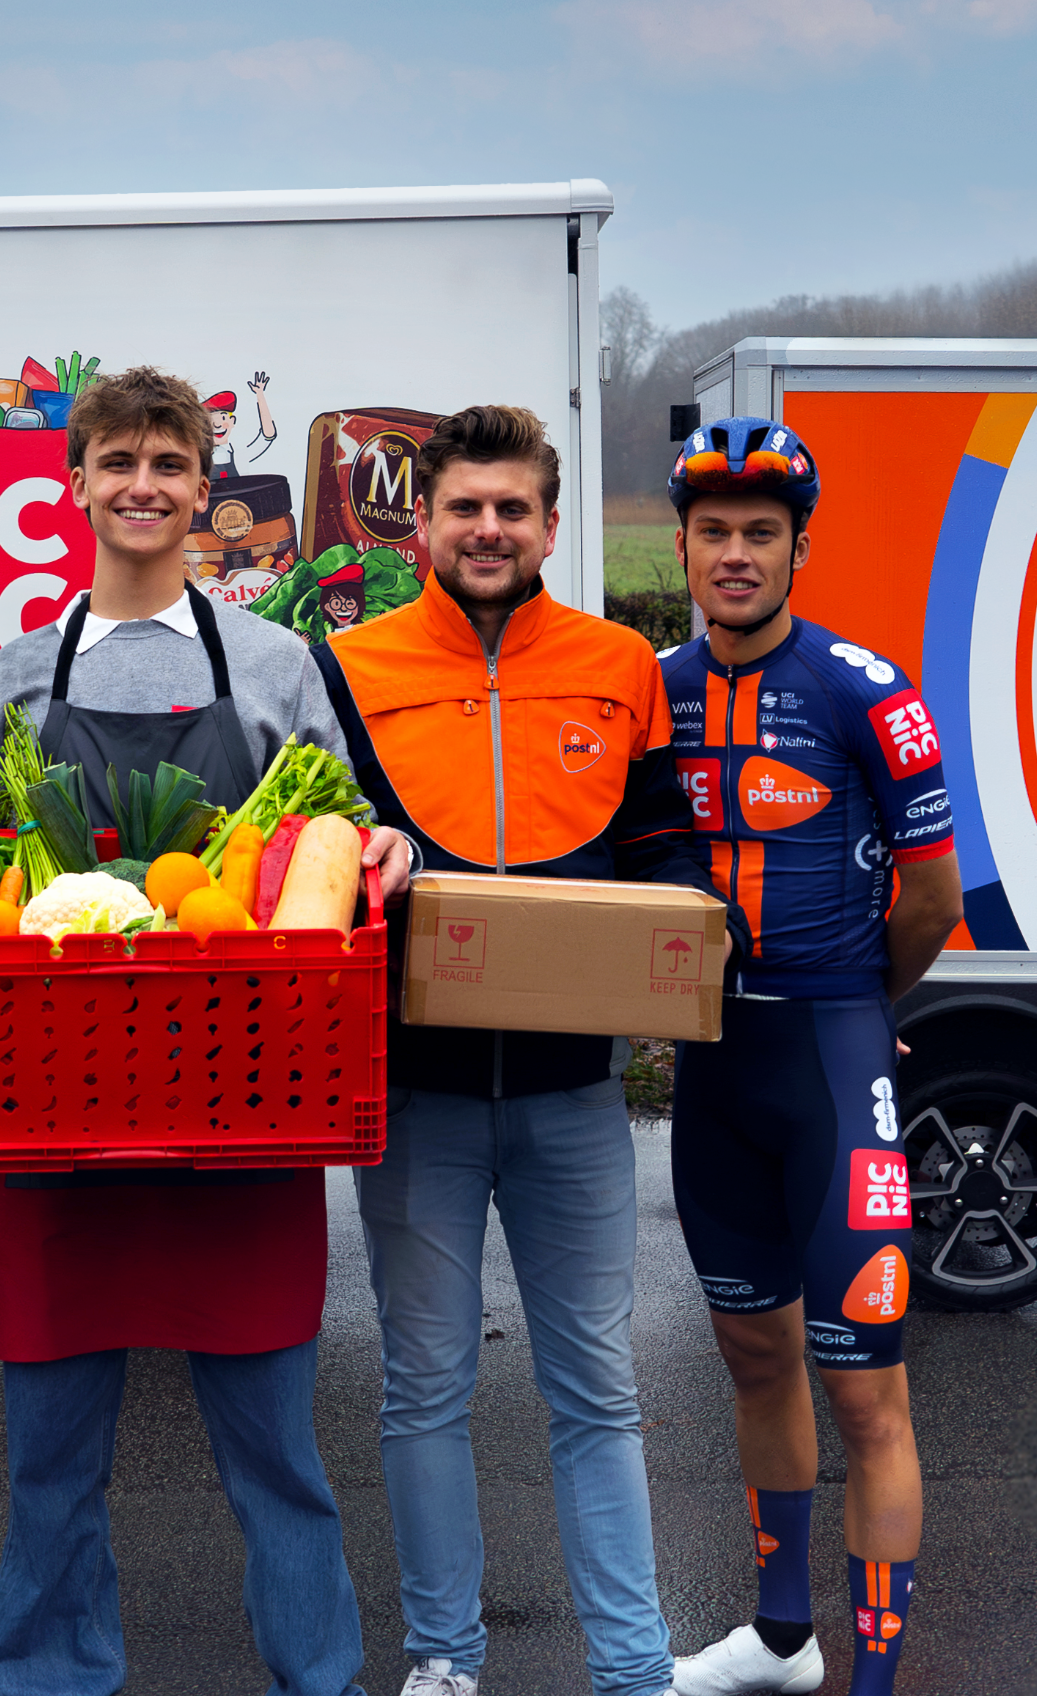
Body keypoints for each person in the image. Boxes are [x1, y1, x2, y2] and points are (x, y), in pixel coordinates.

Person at [0, 365, 407, 1696]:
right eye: (120, 460)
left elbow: (327, 828)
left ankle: (316, 1677)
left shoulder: (276, 663)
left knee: (281, 1457)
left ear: (201, 484)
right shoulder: (16, 672)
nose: (145, 484)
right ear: (78, 483)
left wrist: (377, 846)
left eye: (170, 461)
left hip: (248, 1118)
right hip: (49, 1132)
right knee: (51, 1468)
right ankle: (54, 1675)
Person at [310, 404, 697, 1696]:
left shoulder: (618, 664)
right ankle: (442, 1658)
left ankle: (633, 1668)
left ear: (548, 520)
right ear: (420, 520)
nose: (488, 528)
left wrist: (702, 932)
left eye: (512, 508)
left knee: (599, 1388)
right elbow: (304, 871)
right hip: (414, 1094)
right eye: (464, 506)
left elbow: (664, 857)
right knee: (422, 1387)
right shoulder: (346, 667)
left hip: (574, 1096)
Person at [649, 418, 967, 1696]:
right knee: (754, 1357)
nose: (735, 555)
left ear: (797, 549)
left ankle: (876, 1682)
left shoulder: (864, 689)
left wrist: (850, 1007)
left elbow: (935, 900)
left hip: (835, 1065)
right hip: (712, 1076)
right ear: (680, 544)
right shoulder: (653, 689)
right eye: (714, 532)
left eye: (759, 535)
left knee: (866, 1397)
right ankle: (782, 1640)